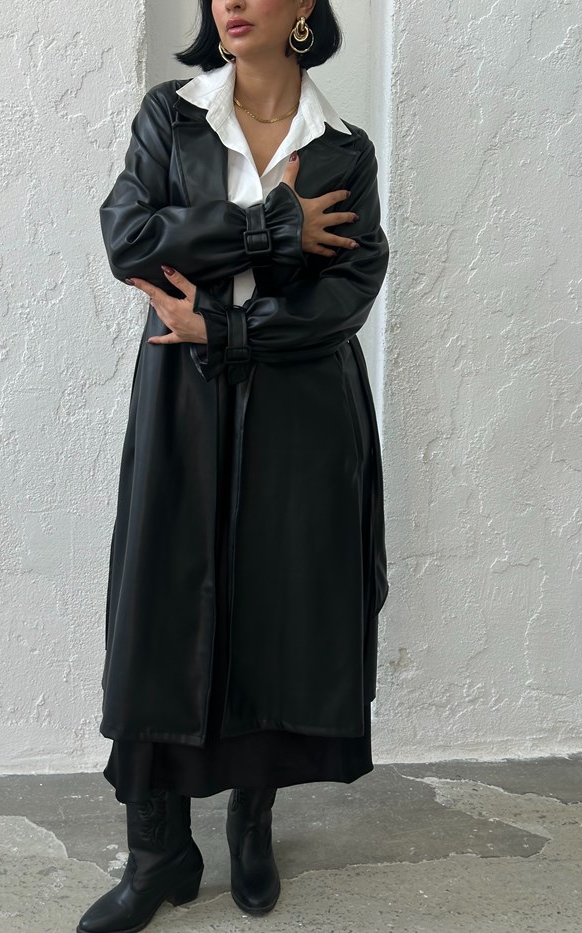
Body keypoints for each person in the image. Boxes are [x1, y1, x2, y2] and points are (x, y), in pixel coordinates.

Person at [77, 1, 390, 931]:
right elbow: (129, 238)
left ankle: (253, 821)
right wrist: (269, 230)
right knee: (160, 608)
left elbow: (350, 291)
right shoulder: (171, 117)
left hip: (302, 407)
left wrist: (224, 325)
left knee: (276, 608)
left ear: (304, 8)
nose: (232, 2)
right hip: (182, 399)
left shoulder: (344, 149)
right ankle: (158, 852)